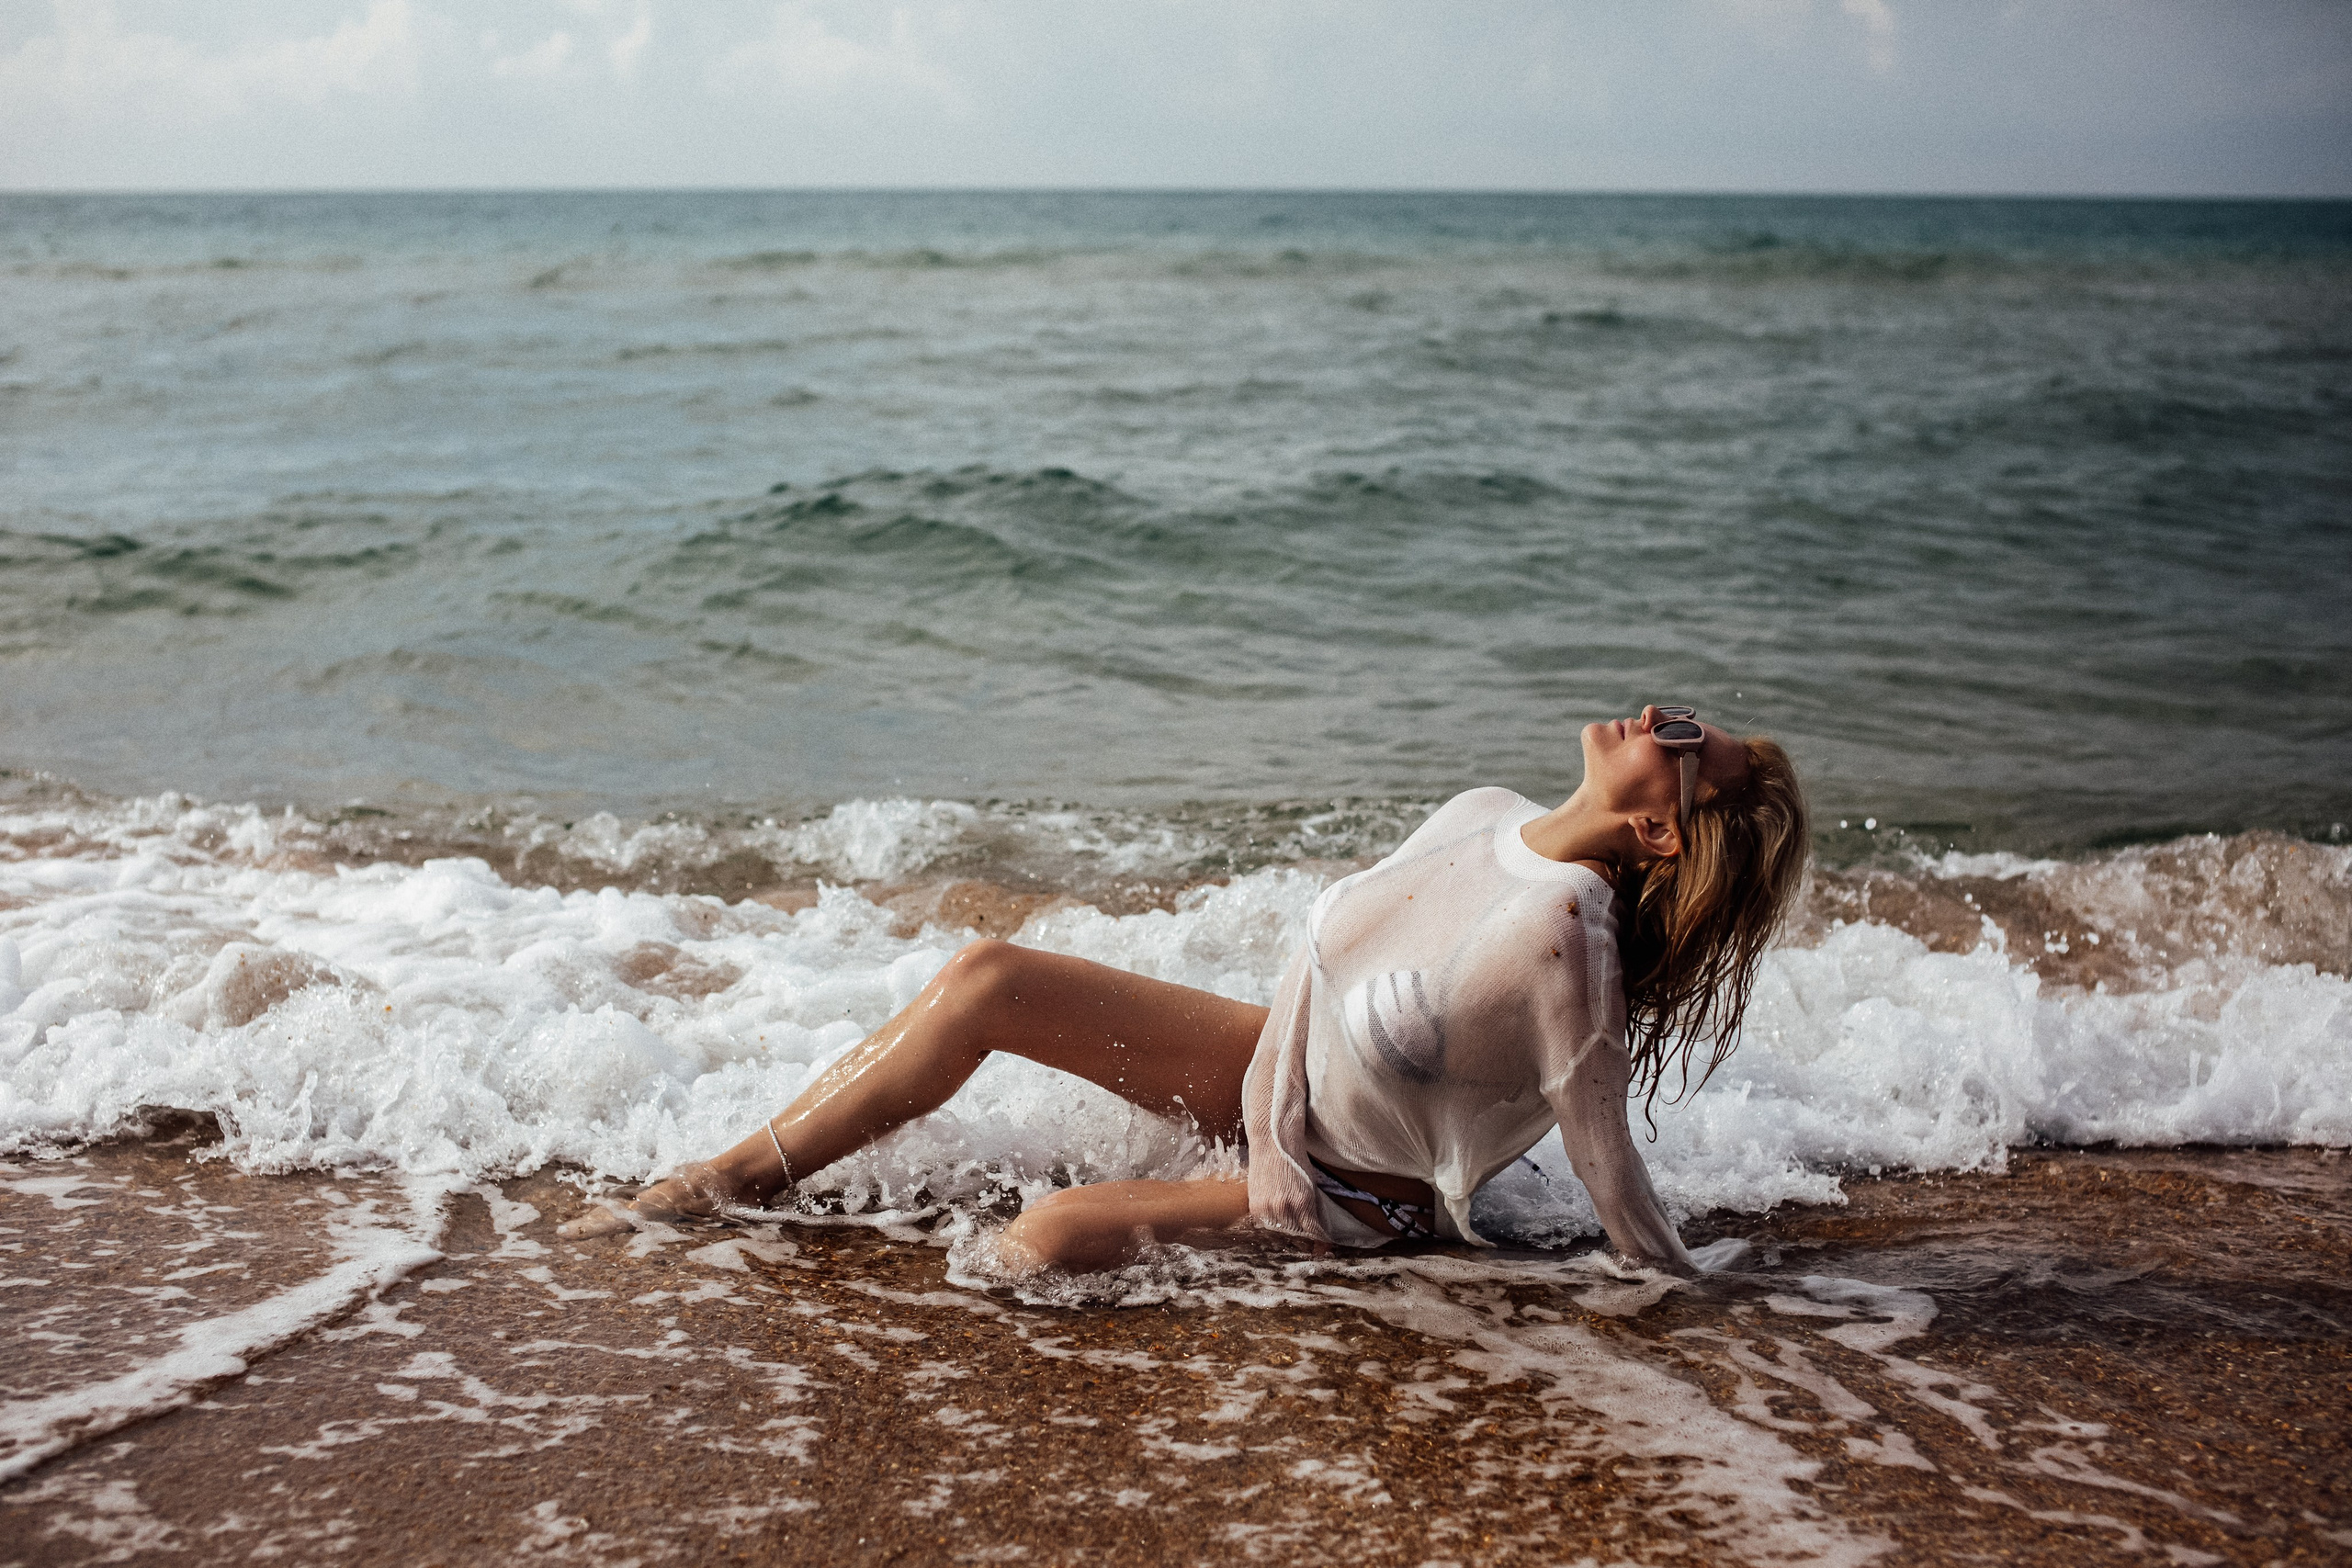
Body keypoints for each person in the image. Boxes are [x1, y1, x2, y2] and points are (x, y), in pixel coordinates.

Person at [560, 706, 1809, 1276]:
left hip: (1355, 1191)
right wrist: (1264, 1119)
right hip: (1282, 1084)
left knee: (1040, 1245)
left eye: (1690, 745)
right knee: (986, 977)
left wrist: (1691, 1290)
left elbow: (1604, 1164)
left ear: (1661, 837)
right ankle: (721, 1185)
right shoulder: (1488, 812)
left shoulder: (1569, 943)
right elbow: (1318, 953)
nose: (1663, 717)